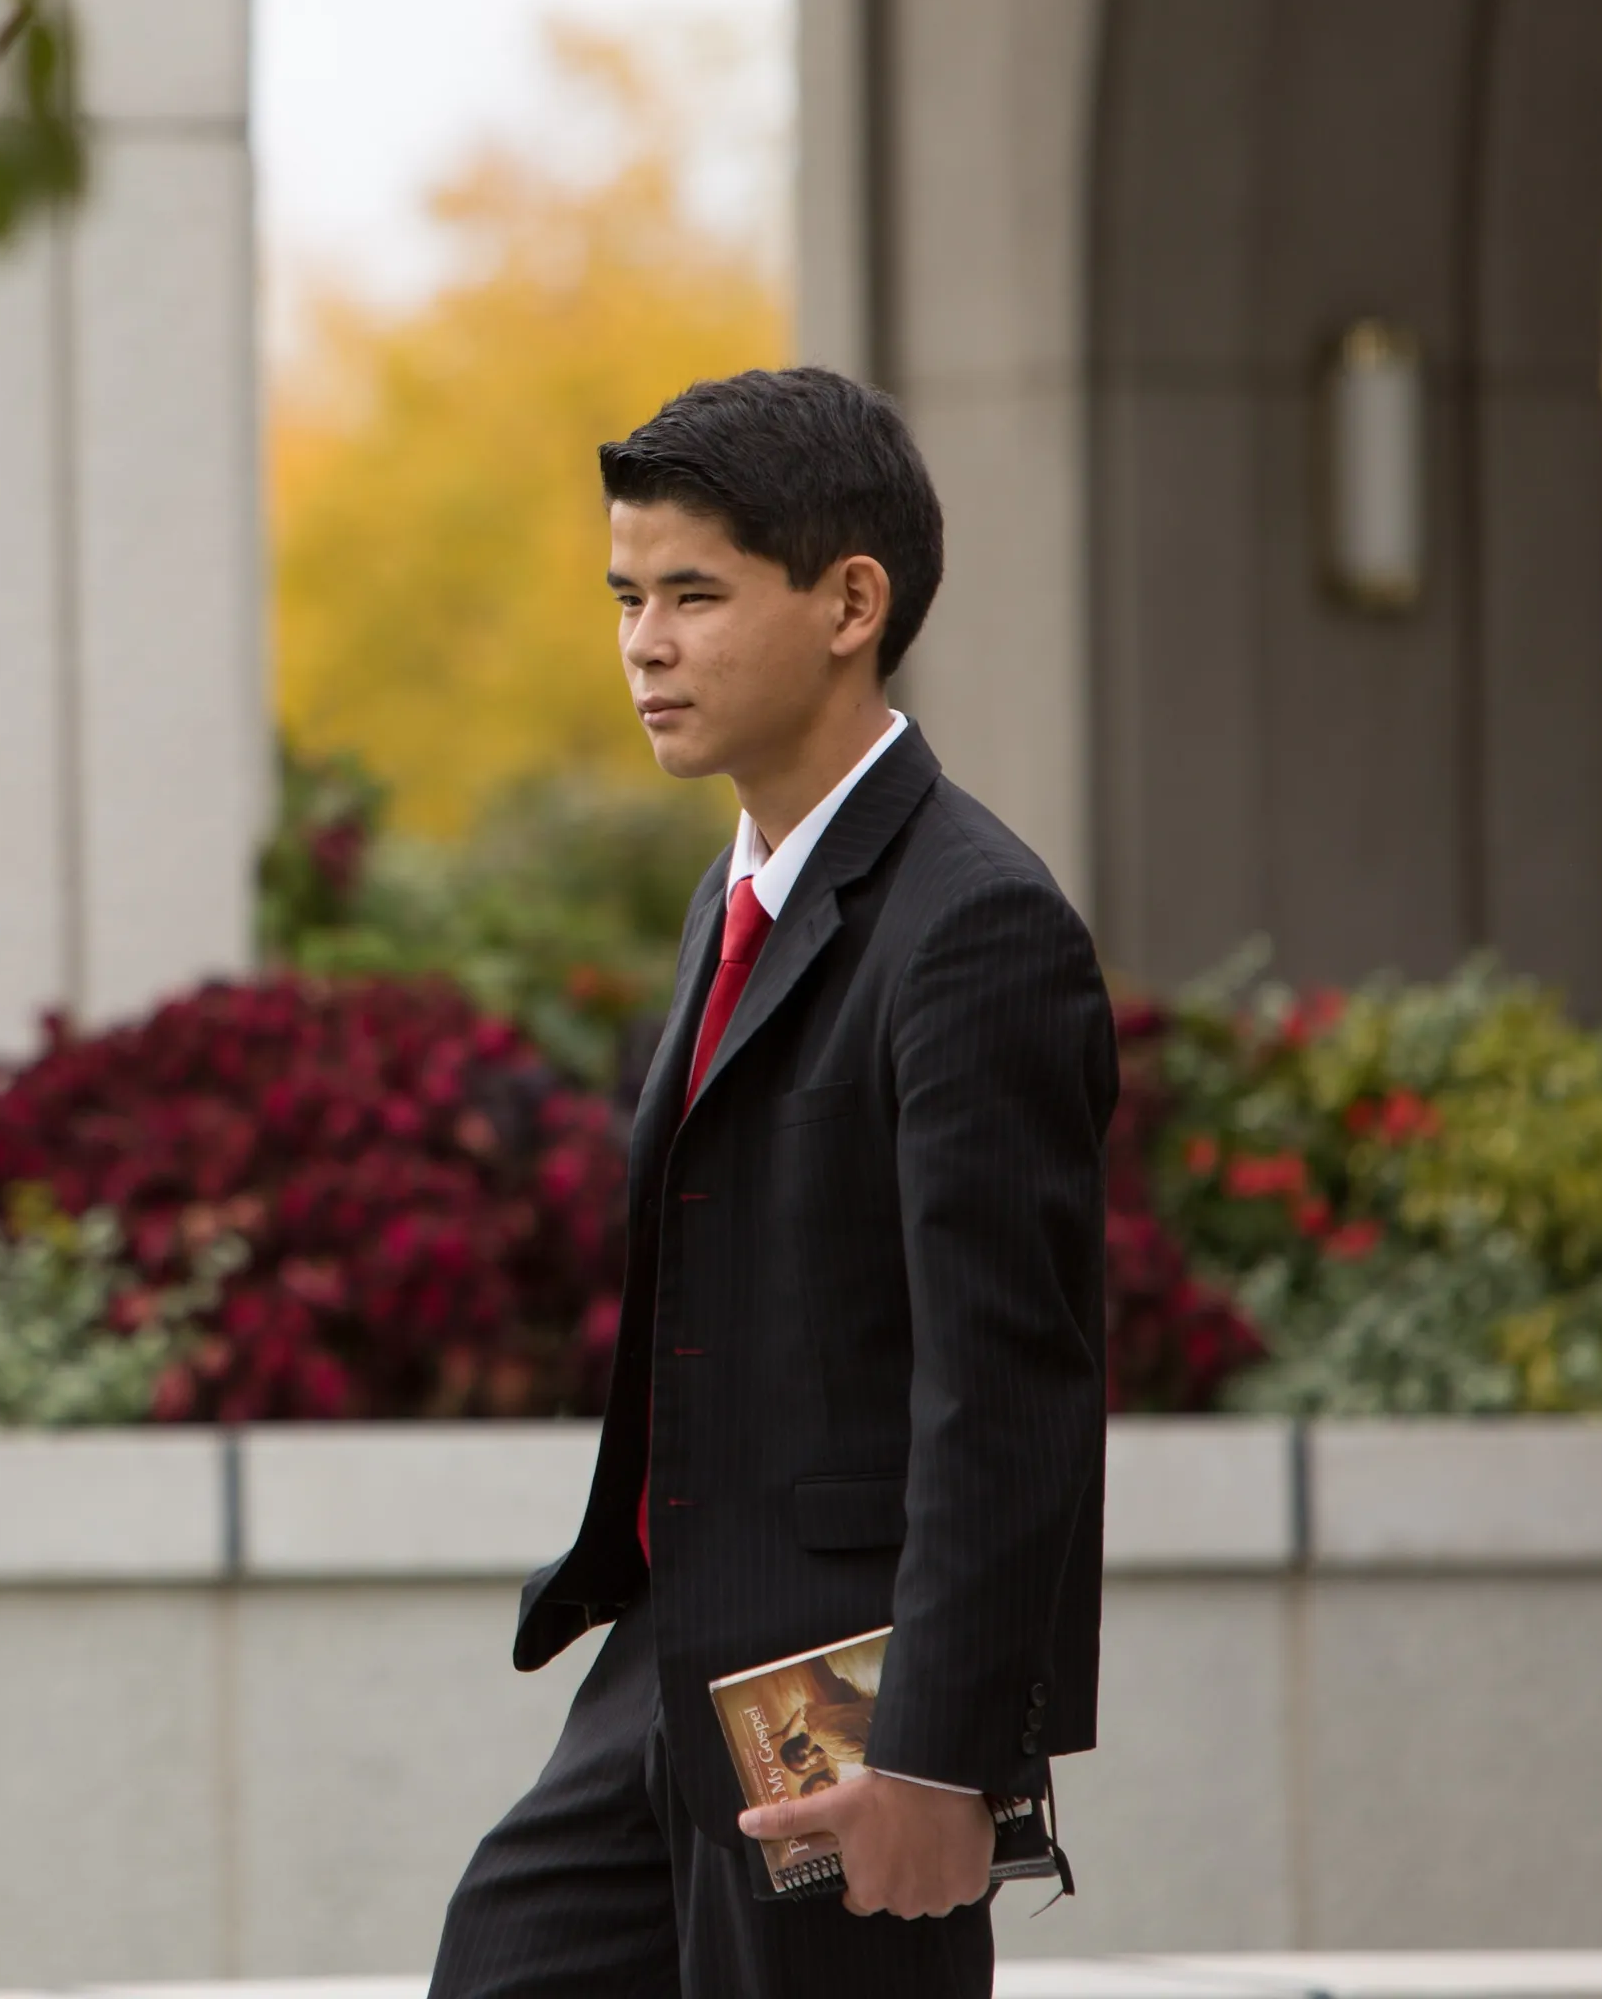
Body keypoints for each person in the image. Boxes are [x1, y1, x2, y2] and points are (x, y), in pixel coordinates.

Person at [424, 366, 1113, 1999]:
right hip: (672, 1658)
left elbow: (1005, 1380)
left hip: (846, 1695)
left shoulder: (976, 927)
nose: (644, 644)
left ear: (848, 604)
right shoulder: (732, 899)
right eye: (626, 598)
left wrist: (948, 1760)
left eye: (693, 596)